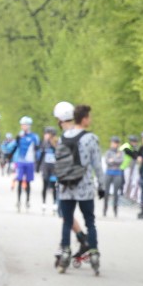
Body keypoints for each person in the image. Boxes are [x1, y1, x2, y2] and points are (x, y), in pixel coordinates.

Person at [53, 102, 105, 275]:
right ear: (84, 119)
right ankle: (94, 253)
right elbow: (97, 165)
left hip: (66, 186)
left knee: (67, 222)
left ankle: (65, 252)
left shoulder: (63, 137)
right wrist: (102, 186)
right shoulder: (91, 138)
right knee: (90, 222)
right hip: (84, 187)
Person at [14, 116, 40, 211]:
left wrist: (38, 162)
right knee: (19, 181)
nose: (23, 127)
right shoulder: (19, 136)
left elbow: (37, 149)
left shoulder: (34, 136)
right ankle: (18, 201)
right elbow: (15, 147)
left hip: (30, 162)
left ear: (29, 126)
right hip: (21, 161)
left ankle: (27, 200)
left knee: (28, 182)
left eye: (25, 125)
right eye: (22, 125)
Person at [37, 126, 59, 214]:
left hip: (54, 169)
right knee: (44, 185)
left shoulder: (56, 143)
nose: (45, 135)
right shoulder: (44, 143)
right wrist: (38, 167)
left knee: (53, 186)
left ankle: (54, 203)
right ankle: (44, 203)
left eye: (47, 134)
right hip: (46, 168)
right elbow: (41, 155)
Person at [102, 136, 124, 217]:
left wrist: (113, 160)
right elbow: (107, 162)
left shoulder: (121, 152)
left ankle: (115, 209)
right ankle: (105, 209)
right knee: (106, 192)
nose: (113, 144)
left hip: (117, 173)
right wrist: (115, 158)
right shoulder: (108, 152)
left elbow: (120, 161)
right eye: (112, 143)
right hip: (108, 173)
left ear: (117, 144)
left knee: (116, 193)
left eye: (114, 143)